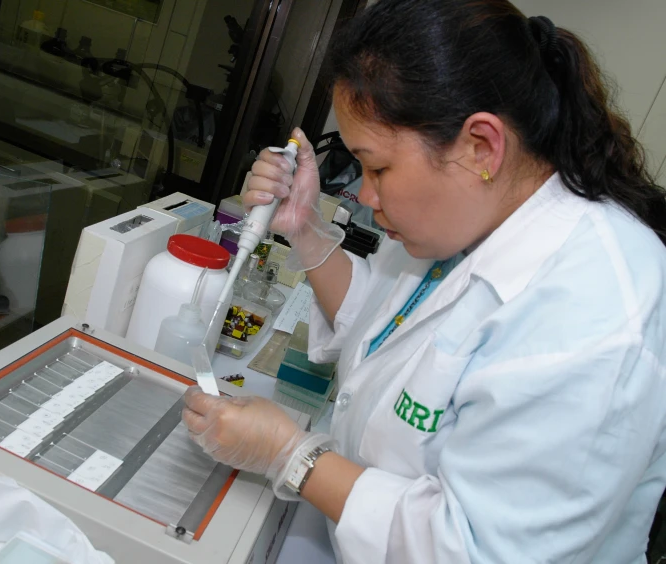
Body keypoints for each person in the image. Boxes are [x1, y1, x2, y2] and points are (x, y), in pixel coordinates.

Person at [183, 0, 666, 562]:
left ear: (480, 146)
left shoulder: (598, 314)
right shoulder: (473, 215)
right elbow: (385, 329)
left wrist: (294, 456)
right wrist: (306, 232)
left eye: (379, 168)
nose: (364, 195)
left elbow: (475, 550)